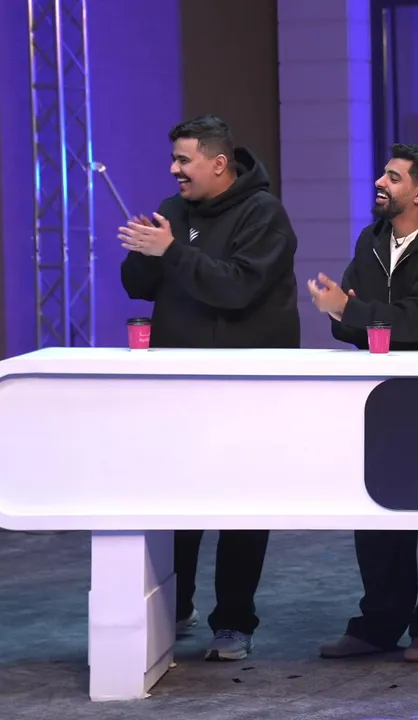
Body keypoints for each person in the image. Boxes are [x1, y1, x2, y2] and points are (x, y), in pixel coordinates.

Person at [118, 114, 300, 662]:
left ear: (219, 163)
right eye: (173, 159)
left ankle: (234, 622)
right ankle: (174, 606)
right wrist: (143, 250)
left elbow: (237, 288)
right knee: (177, 502)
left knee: (242, 505)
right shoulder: (175, 210)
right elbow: (138, 287)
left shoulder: (264, 214)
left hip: (247, 387)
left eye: (184, 160)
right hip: (178, 384)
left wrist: (171, 251)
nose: (174, 170)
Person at [308, 143, 418, 662]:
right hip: (381, 392)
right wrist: (346, 313)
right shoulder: (372, 239)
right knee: (378, 508)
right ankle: (378, 624)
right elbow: (352, 322)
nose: (380, 182)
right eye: (383, 174)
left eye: (393, 177)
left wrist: (352, 311)